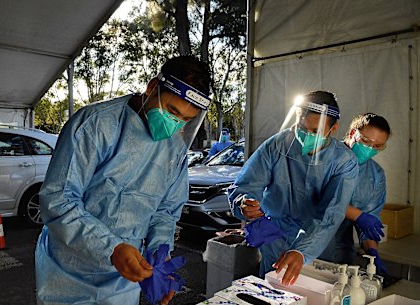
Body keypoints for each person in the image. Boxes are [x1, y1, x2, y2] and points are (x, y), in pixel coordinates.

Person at [35, 55, 212, 305]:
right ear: (152, 88)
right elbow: (58, 200)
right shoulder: (95, 124)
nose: (174, 125)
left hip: (123, 277)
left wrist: (159, 263)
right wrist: (111, 248)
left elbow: (165, 212)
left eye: (185, 119)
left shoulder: (175, 151)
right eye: (172, 111)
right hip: (68, 271)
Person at [228, 91, 359, 286]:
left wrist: (301, 250)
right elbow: (246, 184)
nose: (306, 137)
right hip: (274, 235)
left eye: (315, 132)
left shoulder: (344, 162)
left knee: (313, 292)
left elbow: (331, 212)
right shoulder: (277, 145)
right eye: (301, 128)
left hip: (316, 241)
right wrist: (244, 203)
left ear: (334, 129)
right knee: (271, 291)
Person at [319, 113, 391, 274]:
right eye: (366, 141)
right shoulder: (324, 155)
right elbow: (316, 197)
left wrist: (372, 251)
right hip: (306, 240)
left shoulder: (375, 175)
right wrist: (357, 214)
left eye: (378, 146)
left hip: (341, 250)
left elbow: (369, 221)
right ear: (352, 133)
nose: (370, 149)